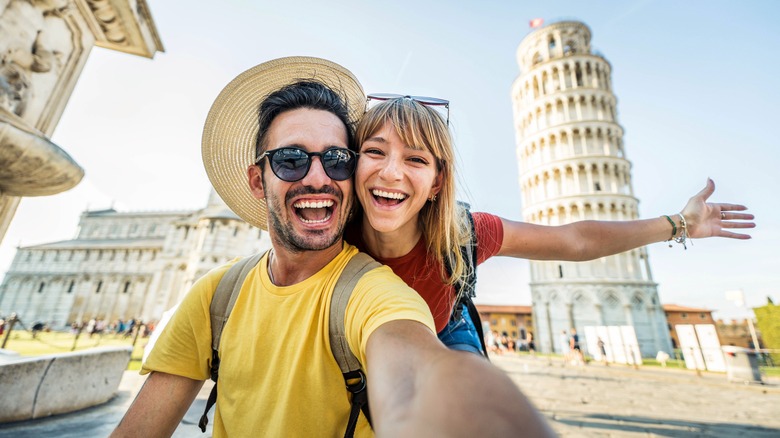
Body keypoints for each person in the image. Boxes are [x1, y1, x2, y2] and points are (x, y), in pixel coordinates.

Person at [110, 57, 553, 438]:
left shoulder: (375, 291)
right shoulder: (215, 295)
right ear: (256, 181)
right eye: (290, 159)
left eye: (337, 160)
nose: (318, 178)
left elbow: (415, 371)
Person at [347, 95, 755, 357]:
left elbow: (575, 240)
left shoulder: (465, 234)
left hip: (444, 330)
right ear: (352, 161)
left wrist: (680, 223)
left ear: (438, 182)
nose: (391, 172)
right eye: (375, 151)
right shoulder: (334, 237)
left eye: (416, 159)